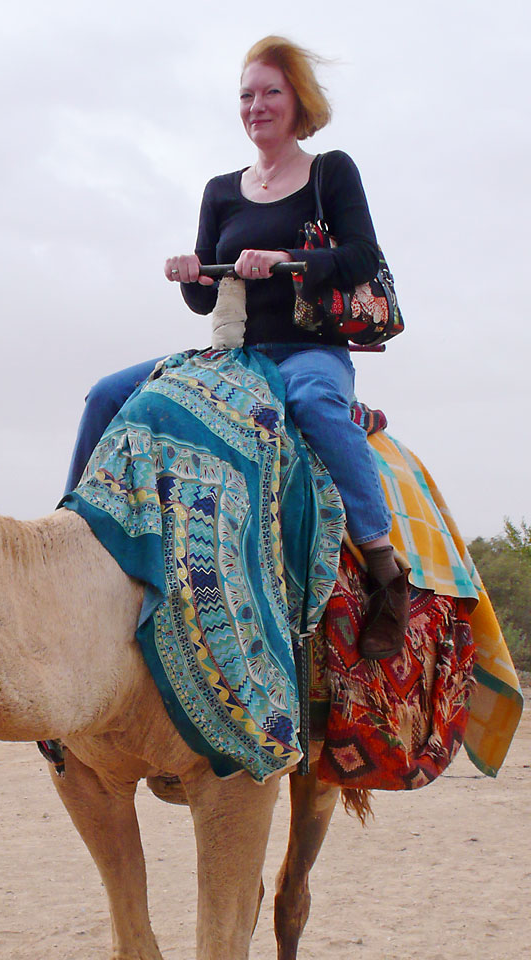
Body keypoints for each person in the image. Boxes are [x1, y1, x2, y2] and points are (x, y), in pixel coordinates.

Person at [65, 36, 408, 660]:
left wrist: (287, 260)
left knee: (312, 402)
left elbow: (363, 256)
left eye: (270, 92)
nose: (256, 106)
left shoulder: (331, 171)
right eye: (246, 95)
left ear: (296, 99)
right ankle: (73, 535)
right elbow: (206, 303)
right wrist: (193, 274)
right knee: (108, 393)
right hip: (237, 353)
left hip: (308, 351)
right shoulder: (221, 190)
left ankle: (386, 572)